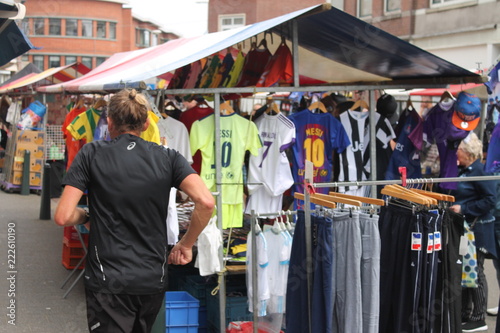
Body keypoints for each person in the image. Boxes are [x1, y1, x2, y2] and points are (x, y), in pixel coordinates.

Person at [54, 89, 215, 333]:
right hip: (151, 278)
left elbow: (63, 215)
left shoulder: (91, 154)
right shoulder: (168, 157)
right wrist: (185, 244)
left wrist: (87, 216)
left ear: (109, 121)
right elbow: (206, 202)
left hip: (107, 278)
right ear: (147, 122)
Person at [449, 132, 497, 332]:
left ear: (468, 153)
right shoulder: (465, 170)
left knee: (476, 272)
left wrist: (464, 209)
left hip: (477, 231)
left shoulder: (478, 172)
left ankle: (479, 317)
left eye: (459, 150)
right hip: (467, 231)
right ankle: (466, 313)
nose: (456, 153)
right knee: (468, 271)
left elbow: (490, 200)